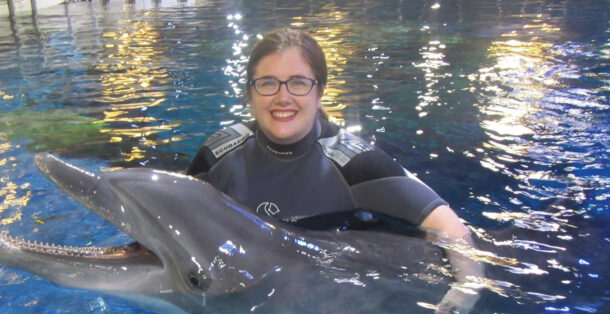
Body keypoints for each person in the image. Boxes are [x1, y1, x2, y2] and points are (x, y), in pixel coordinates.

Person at [188, 28, 484, 313]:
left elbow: (450, 227)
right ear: (250, 94)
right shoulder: (218, 155)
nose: (283, 97)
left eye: (299, 83)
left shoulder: (352, 163)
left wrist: (465, 290)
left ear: (320, 93)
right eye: (267, 83)